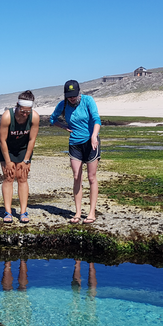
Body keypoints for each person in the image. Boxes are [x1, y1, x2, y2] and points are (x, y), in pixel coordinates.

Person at [49, 80, 101, 224]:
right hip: (74, 144)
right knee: (77, 176)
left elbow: (97, 119)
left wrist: (94, 136)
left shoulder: (88, 100)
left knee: (91, 177)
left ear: (79, 92)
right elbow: (52, 119)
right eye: (69, 95)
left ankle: (91, 213)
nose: (72, 98)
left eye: (74, 95)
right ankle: (77, 213)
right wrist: (63, 127)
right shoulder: (63, 105)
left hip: (91, 143)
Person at [0, 90, 40, 223]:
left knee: (22, 177)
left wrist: (26, 160)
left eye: (28, 111)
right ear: (17, 105)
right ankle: (8, 212)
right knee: (9, 177)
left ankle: (23, 212)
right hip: (6, 148)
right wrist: (8, 162)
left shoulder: (35, 117)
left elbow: (32, 140)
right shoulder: (7, 116)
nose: (25, 114)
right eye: (22, 111)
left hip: (23, 148)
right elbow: (2, 140)